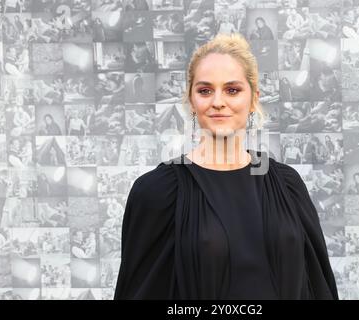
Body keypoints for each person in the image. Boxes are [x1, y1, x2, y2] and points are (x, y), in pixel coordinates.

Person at [114, 33, 338, 300]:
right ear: (191, 100)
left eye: (232, 90)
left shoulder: (287, 184)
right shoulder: (157, 191)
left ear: (254, 98)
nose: (218, 101)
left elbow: (318, 285)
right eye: (205, 90)